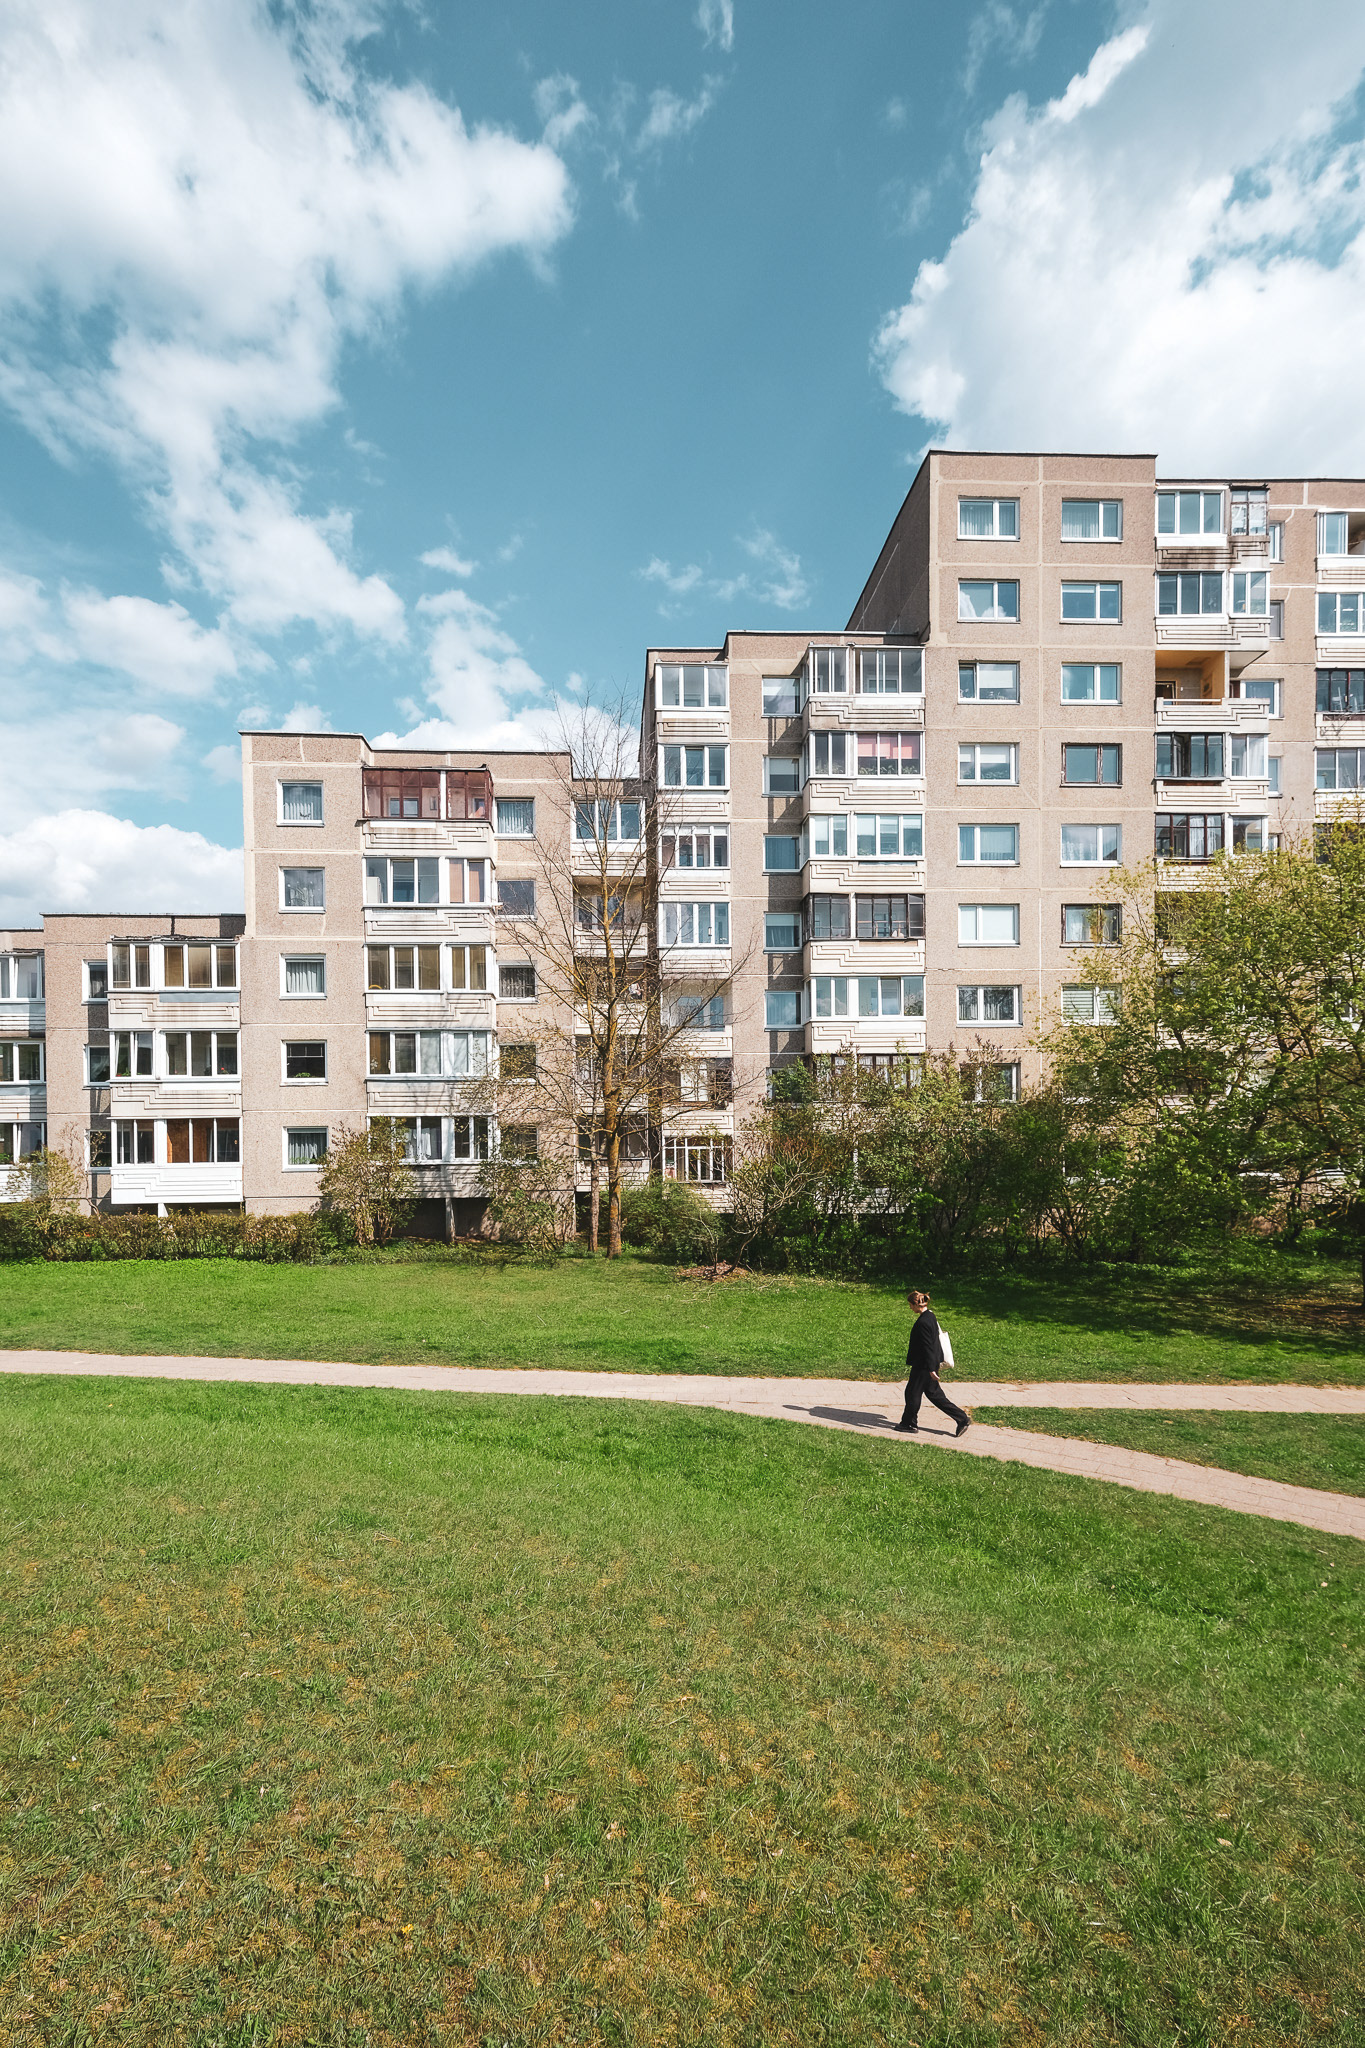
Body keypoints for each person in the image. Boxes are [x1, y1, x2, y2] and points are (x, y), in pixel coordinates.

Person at [895, 1288, 971, 1437]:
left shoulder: (923, 1322)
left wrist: (931, 1369)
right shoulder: (931, 1316)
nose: (910, 1308)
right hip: (929, 1363)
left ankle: (909, 1424)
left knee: (912, 1393)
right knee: (934, 1394)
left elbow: (928, 1346)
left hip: (923, 1365)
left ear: (916, 1304)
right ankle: (962, 1418)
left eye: (910, 1305)